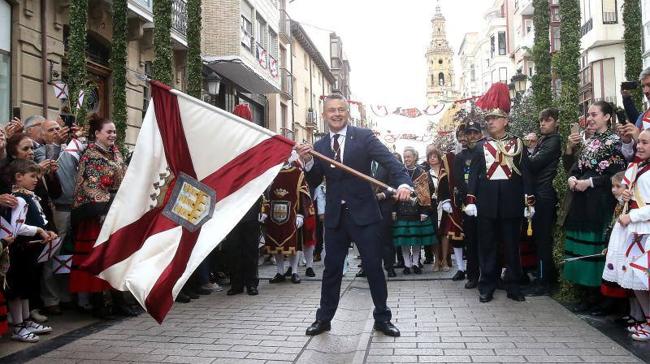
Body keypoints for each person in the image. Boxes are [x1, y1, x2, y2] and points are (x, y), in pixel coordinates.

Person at [296, 93, 412, 337]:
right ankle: (324, 319)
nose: (336, 114)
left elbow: (391, 162)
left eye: (341, 109)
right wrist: (307, 162)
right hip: (335, 217)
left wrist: (403, 184)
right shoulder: (320, 147)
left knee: (373, 267)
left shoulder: (364, 137)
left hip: (365, 215)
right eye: (331, 110)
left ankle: (382, 318)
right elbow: (314, 179)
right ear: (324, 115)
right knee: (331, 269)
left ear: (347, 112)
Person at [464, 106, 534, 303]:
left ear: (505, 121)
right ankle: (487, 285)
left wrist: (529, 200)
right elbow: (474, 177)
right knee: (487, 247)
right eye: (488, 119)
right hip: (486, 204)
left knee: (512, 247)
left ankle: (514, 286)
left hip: (511, 203)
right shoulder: (479, 146)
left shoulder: (517, 144)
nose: (490, 122)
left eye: (495, 118)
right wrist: (471, 199)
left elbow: (526, 173)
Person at [563, 101, 626, 312]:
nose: (589, 118)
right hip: (582, 201)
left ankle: (603, 299)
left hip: (600, 202)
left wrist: (589, 182)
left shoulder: (615, 141)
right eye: (588, 114)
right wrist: (572, 178)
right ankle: (587, 295)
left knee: (596, 247)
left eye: (594, 114)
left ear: (607, 116)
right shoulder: (589, 140)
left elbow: (616, 175)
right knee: (582, 246)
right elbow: (577, 166)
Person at [69, 115, 126, 318]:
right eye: (109, 131)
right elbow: (90, 185)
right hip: (96, 214)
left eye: (114, 131)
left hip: (114, 211)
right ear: (97, 134)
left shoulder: (116, 153)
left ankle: (118, 300)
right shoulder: (91, 155)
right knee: (97, 257)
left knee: (114, 257)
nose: (113, 135)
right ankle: (98, 303)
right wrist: (104, 210)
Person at [602, 129, 650, 340]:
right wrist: (624, 199)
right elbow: (626, 198)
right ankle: (646, 320)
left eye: (645, 143)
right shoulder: (635, 167)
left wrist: (633, 216)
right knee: (635, 278)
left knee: (642, 278)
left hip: (644, 231)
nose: (639, 146)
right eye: (639, 142)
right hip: (633, 233)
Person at [4, 159, 58, 342]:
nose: (36, 180)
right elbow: (16, 227)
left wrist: (46, 230)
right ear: (18, 177)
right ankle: (18, 326)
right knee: (17, 288)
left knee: (26, 286)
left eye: (37, 176)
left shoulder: (28, 195)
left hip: (30, 249)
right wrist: (39, 231)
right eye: (32, 176)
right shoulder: (19, 198)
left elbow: (38, 219)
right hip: (20, 249)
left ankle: (26, 321)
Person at [525, 108, 562, 296]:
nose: (542, 124)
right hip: (539, 193)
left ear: (555, 122)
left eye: (547, 120)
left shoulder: (554, 141)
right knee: (539, 239)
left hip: (544, 194)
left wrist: (520, 151)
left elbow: (533, 164)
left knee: (543, 239)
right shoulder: (544, 140)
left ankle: (544, 281)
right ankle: (541, 277)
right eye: (541, 121)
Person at [262, 162, 313, 284]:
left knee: (292, 245)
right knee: (276, 246)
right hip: (273, 214)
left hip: (292, 214)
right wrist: (264, 210)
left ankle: (294, 272)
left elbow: (303, 195)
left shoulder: (297, 173)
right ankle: (280, 272)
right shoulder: (271, 172)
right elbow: (264, 194)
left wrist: (301, 213)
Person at [392, 147, 436, 275]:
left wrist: (425, 211)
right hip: (401, 210)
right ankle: (407, 265)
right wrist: (393, 210)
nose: (406, 159)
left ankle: (416, 263)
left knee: (416, 240)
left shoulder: (422, 173)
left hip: (417, 210)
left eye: (409, 156)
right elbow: (393, 189)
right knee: (404, 241)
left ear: (415, 157)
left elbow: (428, 192)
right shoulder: (400, 172)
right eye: (405, 157)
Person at [454, 121, 483, 289]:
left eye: (475, 133)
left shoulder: (486, 152)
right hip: (469, 205)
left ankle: (489, 274)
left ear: (480, 134)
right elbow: (459, 180)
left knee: (487, 241)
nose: (472, 136)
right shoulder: (460, 157)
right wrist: (469, 200)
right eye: (469, 133)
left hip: (486, 203)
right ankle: (473, 276)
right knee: (471, 242)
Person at [224, 197, 262, 296]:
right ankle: (236, 285)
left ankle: (251, 284)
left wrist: (262, 210)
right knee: (233, 250)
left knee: (251, 251)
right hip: (233, 213)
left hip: (250, 213)